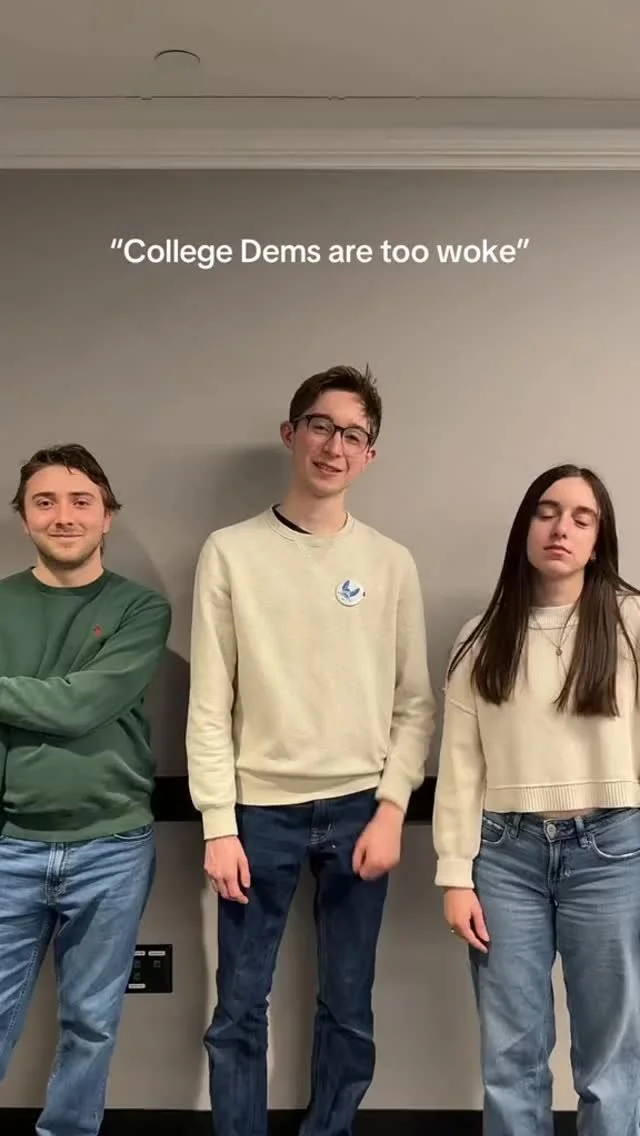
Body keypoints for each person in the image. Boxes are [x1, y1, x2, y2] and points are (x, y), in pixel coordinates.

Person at [186, 364, 436, 1136]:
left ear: (370, 454)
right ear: (291, 433)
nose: (335, 446)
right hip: (258, 814)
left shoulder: (391, 562)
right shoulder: (229, 552)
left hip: (362, 809)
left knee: (349, 1007)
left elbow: (415, 705)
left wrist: (392, 810)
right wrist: (218, 824)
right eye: (322, 427)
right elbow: (209, 706)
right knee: (238, 1008)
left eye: (354, 435)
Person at [433, 462, 640, 1136]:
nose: (561, 529)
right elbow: (460, 766)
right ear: (525, 526)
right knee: (511, 1054)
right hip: (504, 859)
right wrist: (455, 875)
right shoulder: (480, 636)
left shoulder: (631, 623)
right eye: (547, 512)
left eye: (582, 518)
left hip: (614, 855)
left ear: (599, 540)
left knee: (611, 1056)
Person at [0, 444, 171, 1136]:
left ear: (107, 516)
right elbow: (68, 701)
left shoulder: (140, 610)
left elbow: (82, 705)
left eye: (80, 502)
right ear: (23, 518)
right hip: (10, 846)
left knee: (92, 1023)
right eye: (44, 502)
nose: (63, 516)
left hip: (112, 847)